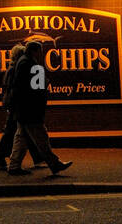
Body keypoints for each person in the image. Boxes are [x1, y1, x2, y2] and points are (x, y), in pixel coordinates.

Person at [7, 39, 73, 176]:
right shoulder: (28, 63)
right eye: (40, 51)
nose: (41, 54)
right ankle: (55, 164)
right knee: (41, 137)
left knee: (21, 137)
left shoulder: (23, 62)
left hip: (23, 109)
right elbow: (34, 87)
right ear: (34, 50)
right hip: (30, 109)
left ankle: (14, 166)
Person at [0, 43, 44, 170]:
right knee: (15, 131)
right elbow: (13, 88)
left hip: (14, 104)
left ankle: (38, 158)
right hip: (15, 104)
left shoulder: (13, 68)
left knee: (22, 131)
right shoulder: (15, 69)